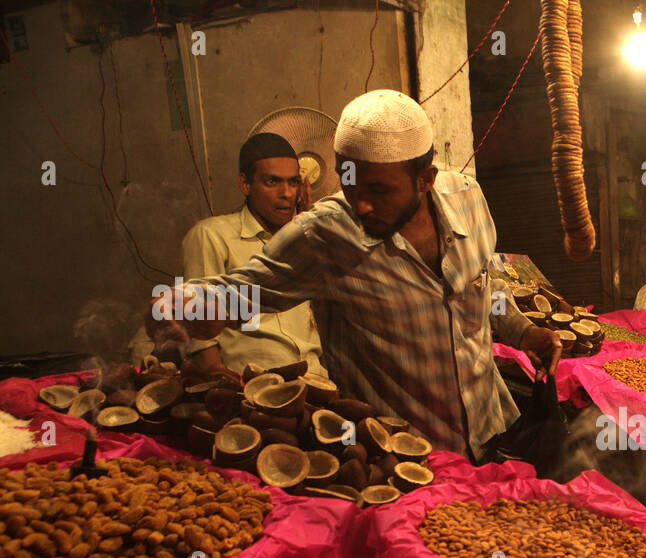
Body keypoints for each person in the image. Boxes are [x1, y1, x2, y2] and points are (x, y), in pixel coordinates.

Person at [148, 89, 560, 462]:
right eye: (350, 184)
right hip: (405, 461)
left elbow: (483, 283)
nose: (361, 205)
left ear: (425, 180)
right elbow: (243, 292)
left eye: (379, 190)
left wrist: (522, 331)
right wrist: (175, 305)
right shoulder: (326, 234)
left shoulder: (467, 198)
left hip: (494, 432)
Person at [178, 133, 326, 381]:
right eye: (272, 182)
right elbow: (200, 334)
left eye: (293, 182)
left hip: (316, 380)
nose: (287, 193)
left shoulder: (306, 240)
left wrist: (306, 230)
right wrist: (222, 385)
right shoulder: (213, 235)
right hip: (252, 385)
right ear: (245, 184)